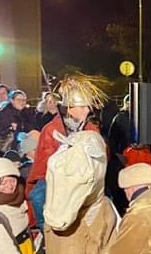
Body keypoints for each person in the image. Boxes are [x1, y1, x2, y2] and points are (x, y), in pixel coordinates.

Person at [26, 75, 107, 229]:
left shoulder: (91, 128)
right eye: (82, 107)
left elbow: (102, 154)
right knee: (38, 197)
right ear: (70, 108)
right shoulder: (51, 129)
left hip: (86, 175)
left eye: (87, 106)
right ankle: (45, 232)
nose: (87, 110)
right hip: (56, 176)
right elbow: (46, 161)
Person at [0, 89, 34, 154]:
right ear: (12, 101)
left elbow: (32, 126)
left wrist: (19, 127)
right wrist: (14, 131)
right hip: (1, 144)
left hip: (18, 142)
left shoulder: (26, 113)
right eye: (18, 100)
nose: (22, 102)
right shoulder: (5, 114)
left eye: (24, 100)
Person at [106, 94, 131, 214]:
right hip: (122, 155)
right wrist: (116, 154)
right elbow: (113, 137)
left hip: (135, 155)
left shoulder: (140, 117)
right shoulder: (119, 118)